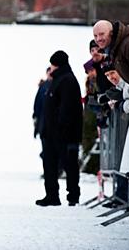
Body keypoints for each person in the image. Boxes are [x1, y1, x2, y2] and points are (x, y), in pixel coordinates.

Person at [36, 51, 83, 207]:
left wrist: (61, 129)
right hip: (51, 132)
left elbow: (67, 109)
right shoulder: (58, 80)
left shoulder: (66, 80)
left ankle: (72, 196)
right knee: (50, 164)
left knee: (69, 164)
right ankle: (52, 195)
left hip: (62, 134)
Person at [92, 20, 129, 85]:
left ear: (111, 33)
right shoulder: (114, 49)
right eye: (95, 36)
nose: (98, 39)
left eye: (102, 34)